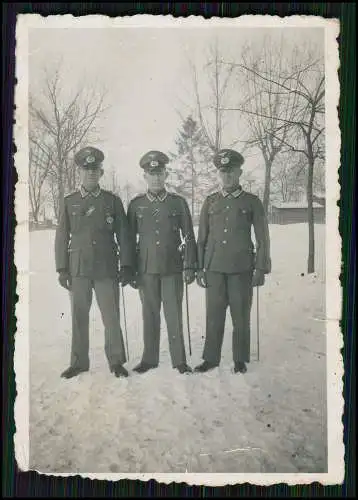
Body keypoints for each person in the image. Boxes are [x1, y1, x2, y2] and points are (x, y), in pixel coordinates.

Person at [55, 146, 133, 379]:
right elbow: (61, 236)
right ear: (80, 172)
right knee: (79, 315)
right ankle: (78, 362)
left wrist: (127, 265)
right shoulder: (69, 202)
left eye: (95, 169)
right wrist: (62, 268)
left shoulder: (112, 201)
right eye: (86, 169)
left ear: (101, 173)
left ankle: (116, 361)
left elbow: (124, 235)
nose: (90, 173)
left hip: (106, 268)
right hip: (78, 269)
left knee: (111, 316)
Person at [194, 149, 271, 374]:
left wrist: (261, 267)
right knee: (214, 315)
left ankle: (240, 359)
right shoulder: (210, 202)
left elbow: (263, 237)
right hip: (215, 268)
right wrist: (200, 267)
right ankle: (211, 358)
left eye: (231, 171)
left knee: (240, 315)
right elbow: (202, 238)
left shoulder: (252, 202)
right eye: (223, 172)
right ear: (219, 174)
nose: (227, 176)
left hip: (241, 268)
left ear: (240, 172)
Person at [127, 150, 197, 375]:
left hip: (172, 268)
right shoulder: (136, 205)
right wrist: (129, 269)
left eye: (160, 173)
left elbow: (188, 236)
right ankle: (149, 359)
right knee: (149, 314)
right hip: (146, 269)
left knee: (174, 314)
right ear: (145, 176)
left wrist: (189, 265)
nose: (156, 178)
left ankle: (179, 360)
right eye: (151, 174)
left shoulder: (177, 203)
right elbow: (129, 240)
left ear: (166, 174)